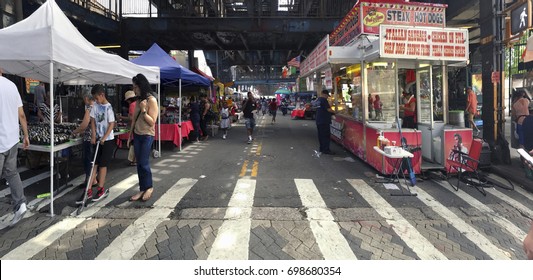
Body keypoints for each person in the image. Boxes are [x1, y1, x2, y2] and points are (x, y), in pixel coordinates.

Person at [0, 68, 30, 226]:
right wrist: (26, 135)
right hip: (12, 139)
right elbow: (22, 115)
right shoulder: (12, 86)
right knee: (11, 173)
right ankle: (21, 203)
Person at [76, 85, 115, 204]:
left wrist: (104, 138)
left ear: (102, 95)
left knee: (103, 165)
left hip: (107, 140)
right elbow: (92, 121)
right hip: (97, 139)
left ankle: (100, 189)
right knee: (94, 164)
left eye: (97, 98)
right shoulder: (95, 106)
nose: (96, 100)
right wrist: (93, 135)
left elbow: (111, 124)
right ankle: (88, 190)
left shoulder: (108, 108)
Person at [128, 73, 158, 202]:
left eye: (135, 87)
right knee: (139, 163)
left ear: (141, 86)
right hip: (137, 134)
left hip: (147, 135)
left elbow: (152, 122)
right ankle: (142, 188)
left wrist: (144, 110)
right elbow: (134, 120)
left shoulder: (151, 100)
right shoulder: (138, 100)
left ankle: (149, 187)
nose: (134, 90)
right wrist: (130, 136)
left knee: (144, 163)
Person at [72, 92, 97, 188]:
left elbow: (84, 124)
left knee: (88, 160)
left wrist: (74, 132)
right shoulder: (98, 107)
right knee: (94, 160)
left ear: (86, 98)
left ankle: (89, 181)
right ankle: (94, 179)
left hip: (89, 138)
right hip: (97, 137)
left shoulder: (89, 109)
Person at [117, 90, 137, 165]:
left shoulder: (132, 105)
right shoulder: (137, 103)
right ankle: (135, 160)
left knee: (133, 144)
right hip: (139, 126)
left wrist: (121, 117)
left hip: (134, 126)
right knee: (136, 143)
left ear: (129, 99)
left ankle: (134, 160)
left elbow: (131, 118)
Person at [316, 89, 336, 155]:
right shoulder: (324, 100)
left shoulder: (318, 100)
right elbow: (328, 109)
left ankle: (322, 148)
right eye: (327, 95)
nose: (327, 97)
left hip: (319, 120)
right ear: (325, 94)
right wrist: (335, 112)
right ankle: (326, 149)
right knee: (326, 136)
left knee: (321, 135)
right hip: (324, 121)